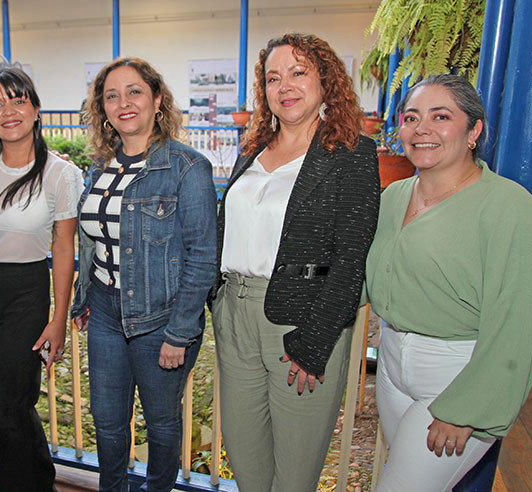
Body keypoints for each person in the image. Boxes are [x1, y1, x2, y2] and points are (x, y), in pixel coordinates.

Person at [366, 74, 532, 491]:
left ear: (474, 131)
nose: (422, 129)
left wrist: (469, 406)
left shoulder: (511, 209)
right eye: (411, 117)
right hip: (392, 366)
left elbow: (522, 320)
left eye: (441, 117)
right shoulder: (393, 197)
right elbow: (369, 272)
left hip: (457, 374)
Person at [210, 33, 380, 491]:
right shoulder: (252, 151)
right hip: (235, 317)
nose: (284, 86)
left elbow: (351, 258)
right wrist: (216, 299)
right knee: (245, 462)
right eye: (273, 78)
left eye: (298, 72)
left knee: (293, 476)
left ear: (326, 82)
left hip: (301, 324)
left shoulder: (352, 155)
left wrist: (315, 342)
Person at [70, 57, 218, 492]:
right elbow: (93, 240)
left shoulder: (187, 167)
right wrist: (84, 298)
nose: (124, 103)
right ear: (103, 109)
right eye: (111, 96)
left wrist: (180, 332)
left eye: (134, 91)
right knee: (107, 420)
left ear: (157, 99)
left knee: (161, 422)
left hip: (161, 318)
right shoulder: (100, 168)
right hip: (105, 311)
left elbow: (202, 257)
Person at [0, 67, 82, 492]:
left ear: (36, 109)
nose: (7, 111)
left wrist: (58, 317)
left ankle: (35, 484)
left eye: (18, 100)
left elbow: (63, 246)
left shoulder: (59, 173)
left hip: (25, 289)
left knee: (13, 404)